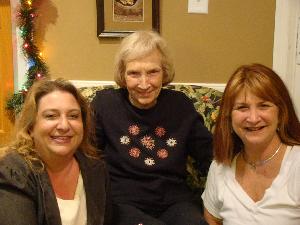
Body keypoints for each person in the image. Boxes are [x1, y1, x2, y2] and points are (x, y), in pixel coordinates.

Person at [91, 30, 212, 225]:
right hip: (122, 203)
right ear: (122, 74)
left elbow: (209, 153)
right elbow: (87, 155)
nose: (144, 83)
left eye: (153, 72)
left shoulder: (180, 106)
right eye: (134, 73)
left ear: (164, 72)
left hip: (175, 201)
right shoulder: (105, 105)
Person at [0, 79, 112, 225]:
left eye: (73, 116)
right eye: (51, 116)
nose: (64, 126)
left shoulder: (96, 171)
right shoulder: (13, 172)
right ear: (31, 127)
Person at [202, 63, 300, 225]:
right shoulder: (220, 168)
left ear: (281, 113)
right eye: (242, 107)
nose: (253, 118)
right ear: (229, 116)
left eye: (264, 106)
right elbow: (212, 220)